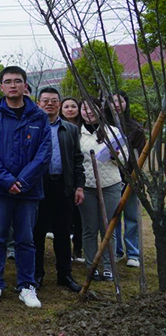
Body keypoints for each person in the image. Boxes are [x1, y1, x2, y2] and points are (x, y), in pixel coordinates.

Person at [0, 66, 50, 308]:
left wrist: (22, 181)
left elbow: (44, 154)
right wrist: (7, 181)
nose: (13, 85)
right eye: (8, 81)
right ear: (1, 87)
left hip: (29, 191)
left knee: (26, 239)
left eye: (17, 81)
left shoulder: (39, 117)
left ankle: (26, 286)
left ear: (25, 86)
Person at [33, 88, 85, 293]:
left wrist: (79, 186)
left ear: (59, 104)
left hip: (63, 186)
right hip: (38, 186)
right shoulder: (32, 126)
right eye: (45, 100)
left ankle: (64, 274)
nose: (50, 104)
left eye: (54, 101)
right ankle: (37, 274)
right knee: (37, 232)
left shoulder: (70, 129)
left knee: (63, 232)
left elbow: (77, 159)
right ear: (38, 103)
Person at [78, 99, 124, 282]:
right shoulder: (76, 132)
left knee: (108, 228)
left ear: (101, 110)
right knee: (89, 228)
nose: (88, 111)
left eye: (92, 108)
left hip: (110, 184)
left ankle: (108, 266)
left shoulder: (113, 132)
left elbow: (125, 158)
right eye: (84, 108)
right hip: (86, 187)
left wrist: (115, 155)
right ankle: (92, 266)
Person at [107, 90, 146, 268]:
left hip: (130, 177)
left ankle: (133, 253)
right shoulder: (104, 126)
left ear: (126, 103)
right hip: (110, 177)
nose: (116, 105)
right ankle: (116, 251)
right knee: (113, 216)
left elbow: (140, 155)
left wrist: (131, 175)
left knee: (131, 216)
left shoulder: (135, 128)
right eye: (112, 101)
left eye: (120, 101)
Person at [61, 96, 84, 260]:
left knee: (79, 217)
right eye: (66, 106)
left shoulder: (83, 128)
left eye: (73, 106)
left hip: (80, 176)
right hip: (64, 178)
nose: (70, 109)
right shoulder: (57, 127)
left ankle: (78, 248)